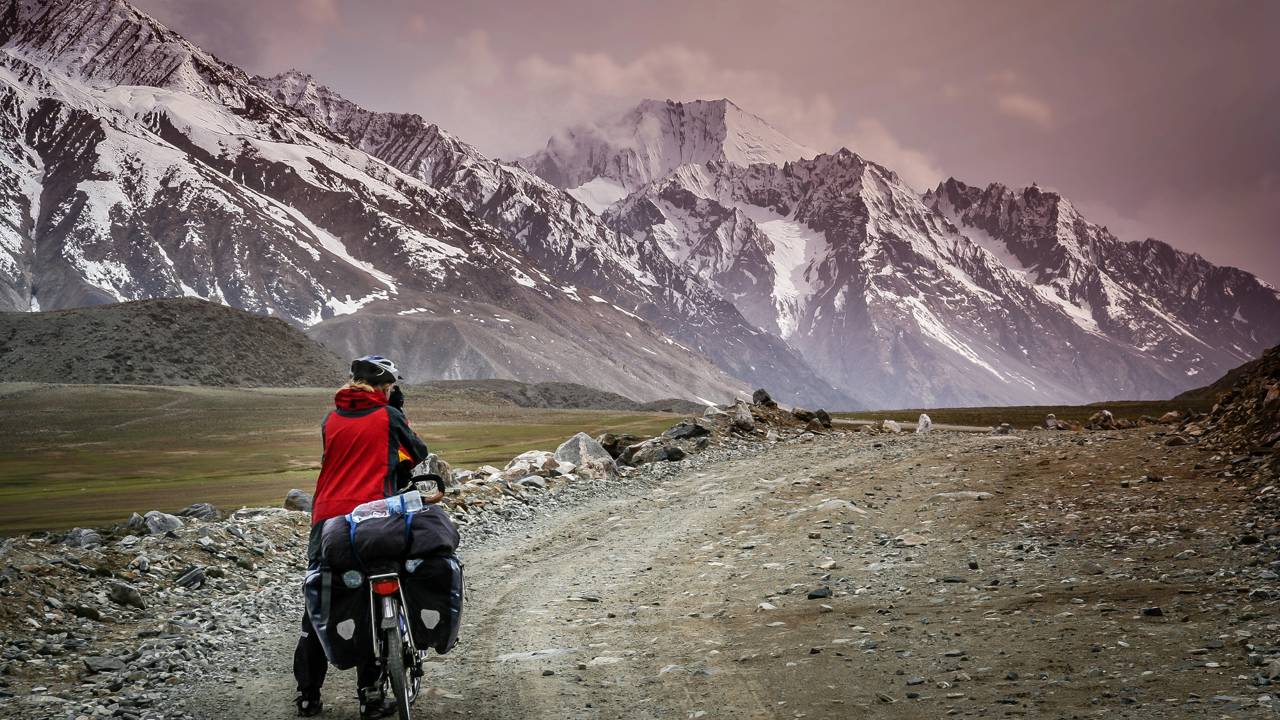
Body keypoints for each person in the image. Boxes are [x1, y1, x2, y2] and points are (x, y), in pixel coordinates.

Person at [294, 355, 429, 718]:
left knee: (321, 597)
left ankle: (308, 695)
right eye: (391, 388)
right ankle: (371, 696)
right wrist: (399, 414)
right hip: (371, 517)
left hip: (326, 517)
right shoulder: (389, 416)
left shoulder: (330, 419)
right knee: (376, 593)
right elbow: (418, 453)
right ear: (385, 388)